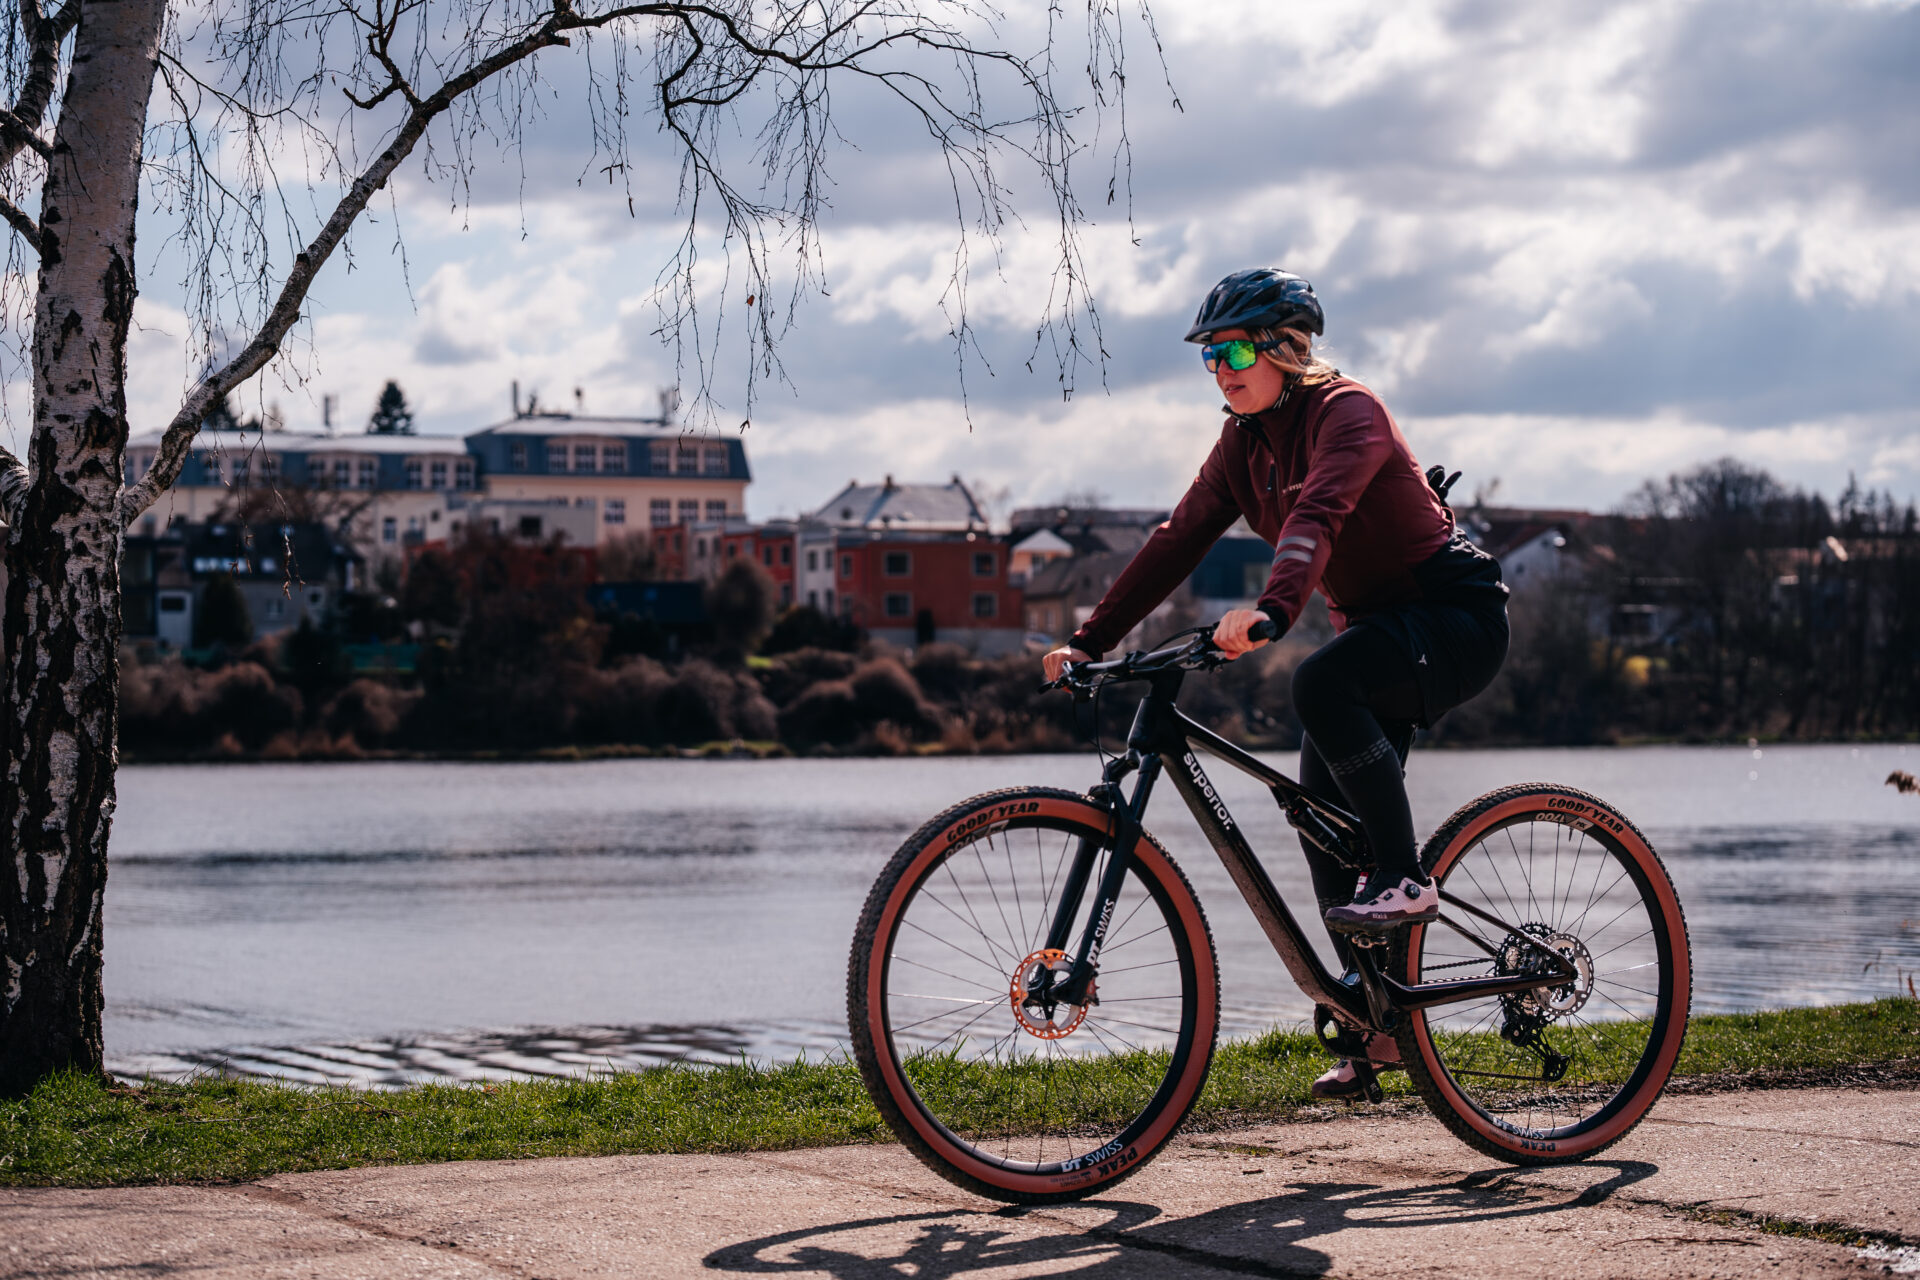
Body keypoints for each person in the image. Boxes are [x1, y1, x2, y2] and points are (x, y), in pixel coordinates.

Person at [1041, 268, 1510, 1099]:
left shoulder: (1348, 412)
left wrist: (1272, 609)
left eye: (1234, 352)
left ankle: (1405, 877)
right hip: (1377, 635)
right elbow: (1178, 538)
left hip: (1453, 619)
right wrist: (1088, 641)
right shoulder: (1243, 443)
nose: (1220, 370)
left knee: (1319, 686)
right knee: (1320, 821)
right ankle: (1378, 1024)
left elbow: (1314, 519)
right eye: (1209, 356)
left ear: (1286, 349)